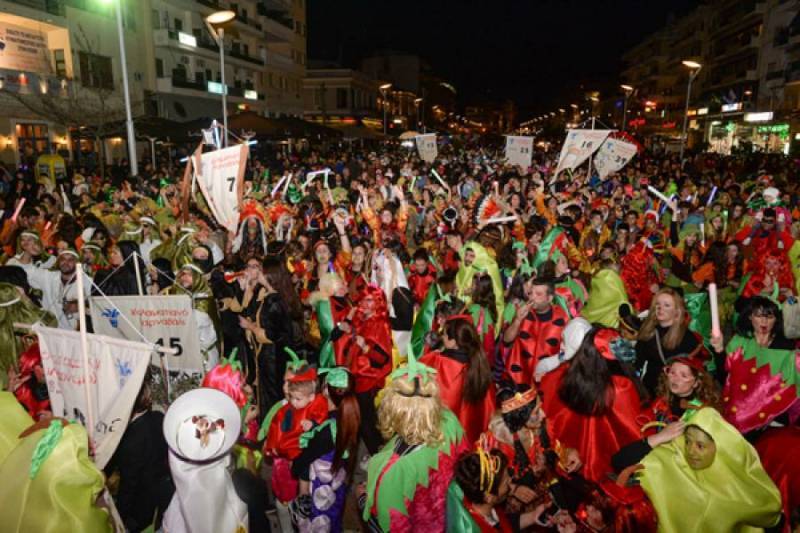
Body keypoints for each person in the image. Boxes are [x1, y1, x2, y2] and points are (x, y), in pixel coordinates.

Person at [612, 407, 782, 532]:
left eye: (700, 446)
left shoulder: (738, 478)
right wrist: (659, 437)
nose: (691, 451)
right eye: (688, 441)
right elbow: (619, 462)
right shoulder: (673, 461)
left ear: (720, 448)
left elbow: (771, 514)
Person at [361, 353, 468, 532]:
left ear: (392, 409)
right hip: (450, 520)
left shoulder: (393, 471)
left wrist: (362, 498)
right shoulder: (451, 423)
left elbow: (392, 527)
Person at [540, 326, 644, 483]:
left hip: (567, 464)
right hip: (609, 471)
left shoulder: (558, 377)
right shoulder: (620, 389)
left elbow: (545, 421)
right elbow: (634, 434)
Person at [712, 296, 800, 435]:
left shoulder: (786, 347)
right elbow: (724, 377)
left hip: (771, 420)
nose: (764, 321)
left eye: (769, 317)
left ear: (776, 319)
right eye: (758, 316)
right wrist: (719, 350)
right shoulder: (739, 342)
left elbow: (790, 387)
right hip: (735, 414)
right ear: (750, 317)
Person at [290, 367, 360, 532]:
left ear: (327, 391)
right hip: (337, 482)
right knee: (333, 518)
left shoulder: (328, 431)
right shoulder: (350, 416)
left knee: (319, 523)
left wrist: (294, 466)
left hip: (321, 489)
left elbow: (304, 459)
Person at [105, 378, 174, 532]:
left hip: (142, 506)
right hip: (164, 494)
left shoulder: (130, 440)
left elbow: (128, 486)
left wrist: (119, 517)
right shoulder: (159, 417)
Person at [420, 315, 495, 444]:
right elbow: (489, 407)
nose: (442, 337)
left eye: (444, 334)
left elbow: (417, 374)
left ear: (453, 342)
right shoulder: (479, 364)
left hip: (444, 438)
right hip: (471, 438)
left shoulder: (439, 362)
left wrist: (429, 349)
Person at [502, 277, 568, 387]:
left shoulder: (563, 318)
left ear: (549, 298)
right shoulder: (522, 311)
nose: (532, 297)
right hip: (518, 380)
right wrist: (517, 320)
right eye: (531, 293)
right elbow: (506, 340)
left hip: (545, 383)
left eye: (538, 294)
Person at [636, 288, 703, 395]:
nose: (660, 308)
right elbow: (638, 361)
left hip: (673, 392)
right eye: (657, 304)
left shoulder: (687, 338)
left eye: (666, 305)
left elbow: (692, 373)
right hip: (649, 389)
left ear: (677, 311)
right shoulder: (648, 330)